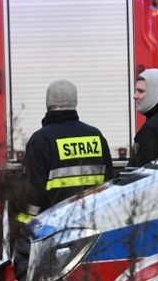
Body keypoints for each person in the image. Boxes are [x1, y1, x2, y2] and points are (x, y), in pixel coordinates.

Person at [16, 79, 114, 226]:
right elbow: (110, 182)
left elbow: (34, 190)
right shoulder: (96, 136)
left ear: (48, 103)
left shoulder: (40, 140)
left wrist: (23, 226)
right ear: (75, 101)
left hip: (54, 228)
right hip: (93, 223)